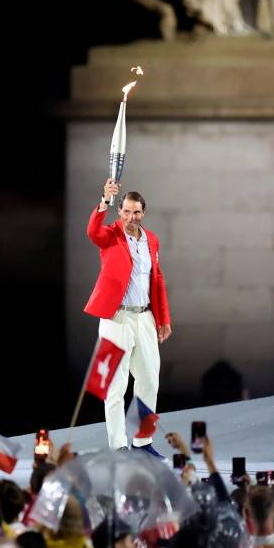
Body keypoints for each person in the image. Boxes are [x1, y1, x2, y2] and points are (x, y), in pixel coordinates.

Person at [85, 179, 172, 458]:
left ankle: (142, 443)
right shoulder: (110, 235)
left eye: (136, 212)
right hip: (115, 318)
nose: (131, 217)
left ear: (143, 212)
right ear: (119, 211)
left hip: (144, 317)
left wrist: (163, 319)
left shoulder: (152, 239)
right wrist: (104, 201)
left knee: (149, 380)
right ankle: (118, 446)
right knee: (114, 384)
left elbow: (156, 278)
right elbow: (92, 232)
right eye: (126, 212)